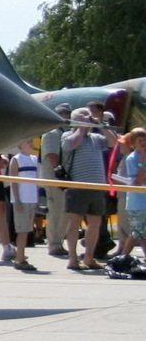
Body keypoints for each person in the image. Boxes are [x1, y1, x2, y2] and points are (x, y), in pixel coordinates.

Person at [59, 108, 113, 272]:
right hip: (78, 186)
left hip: (97, 186)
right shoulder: (67, 135)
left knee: (95, 223)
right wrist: (81, 128)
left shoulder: (96, 138)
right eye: (83, 118)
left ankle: (89, 257)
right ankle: (73, 258)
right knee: (74, 222)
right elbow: (73, 144)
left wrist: (102, 126)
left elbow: (114, 143)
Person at [7, 138, 43, 272]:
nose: (30, 143)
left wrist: (37, 198)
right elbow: (13, 182)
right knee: (22, 230)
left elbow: (37, 180)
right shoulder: (16, 159)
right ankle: (19, 258)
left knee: (27, 229)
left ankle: (21, 255)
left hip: (31, 199)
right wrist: (17, 200)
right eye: (27, 141)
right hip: (22, 199)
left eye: (31, 141)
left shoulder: (34, 159)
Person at [41, 103, 71, 257]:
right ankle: (54, 243)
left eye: (67, 113)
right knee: (56, 210)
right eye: (63, 113)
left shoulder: (66, 132)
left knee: (64, 211)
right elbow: (52, 155)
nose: (65, 116)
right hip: (54, 177)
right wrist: (60, 172)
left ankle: (59, 241)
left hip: (64, 178)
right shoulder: (52, 132)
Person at [113, 128, 146, 261]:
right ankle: (124, 257)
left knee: (141, 234)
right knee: (138, 233)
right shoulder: (132, 158)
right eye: (140, 141)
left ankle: (126, 257)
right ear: (133, 145)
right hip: (137, 203)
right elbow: (139, 180)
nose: (144, 143)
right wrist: (143, 161)